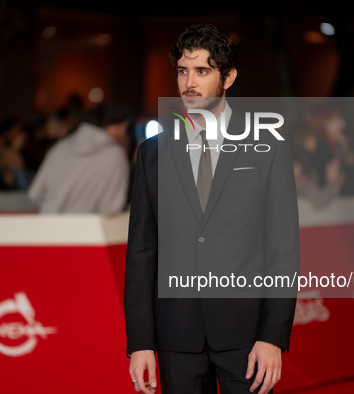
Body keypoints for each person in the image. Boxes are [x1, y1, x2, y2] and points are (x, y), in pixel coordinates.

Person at [124, 24, 299, 394]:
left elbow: (283, 251)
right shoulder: (152, 153)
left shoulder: (268, 148)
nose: (190, 82)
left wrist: (273, 337)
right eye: (183, 71)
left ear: (229, 77)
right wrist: (140, 343)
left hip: (247, 337)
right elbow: (141, 254)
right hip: (176, 337)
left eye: (202, 71)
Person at [27, 101, 130, 214]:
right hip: (89, 229)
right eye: (123, 127)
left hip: (49, 226)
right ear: (117, 126)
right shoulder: (115, 155)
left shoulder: (60, 147)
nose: (123, 132)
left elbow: (34, 194)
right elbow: (112, 208)